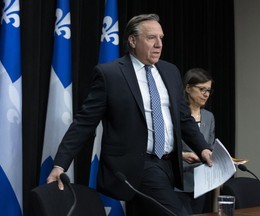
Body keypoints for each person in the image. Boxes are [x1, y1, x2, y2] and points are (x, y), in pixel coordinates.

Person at [47, 14, 213, 216]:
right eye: (151, 38)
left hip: (169, 166)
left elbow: (184, 118)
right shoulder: (110, 74)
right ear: (133, 40)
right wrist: (60, 164)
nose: (159, 44)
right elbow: (84, 123)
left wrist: (203, 148)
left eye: (161, 38)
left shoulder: (170, 71)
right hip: (138, 164)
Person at [175, 68, 215, 214]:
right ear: (188, 88)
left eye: (208, 90)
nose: (206, 94)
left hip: (201, 183)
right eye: (201, 89)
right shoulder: (176, 115)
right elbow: (165, 147)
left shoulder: (209, 116)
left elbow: (210, 146)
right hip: (178, 182)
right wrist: (183, 156)